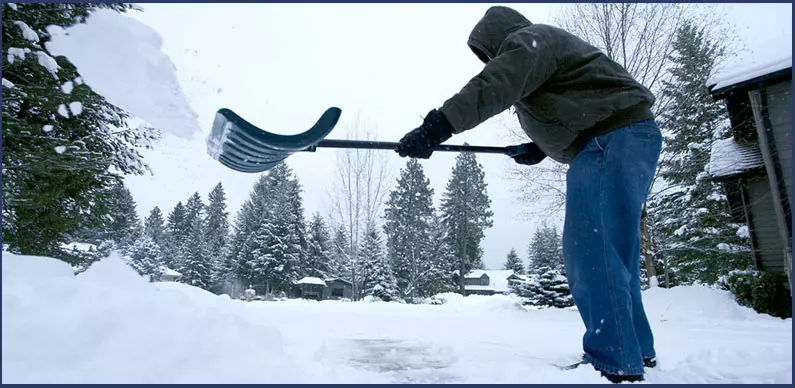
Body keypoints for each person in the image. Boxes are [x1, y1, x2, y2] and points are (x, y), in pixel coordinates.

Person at [394, 5, 662, 384]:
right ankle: (635, 350)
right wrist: (542, 147)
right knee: (614, 252)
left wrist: (437, 126)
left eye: (488, 54)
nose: (490, 61)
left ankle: (616, 359)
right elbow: (575, 101)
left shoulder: (529, 40)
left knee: (591, 251)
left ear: (496, 39)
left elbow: (495, 84)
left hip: (609, 141)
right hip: (624, 138)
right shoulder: (544, 47)